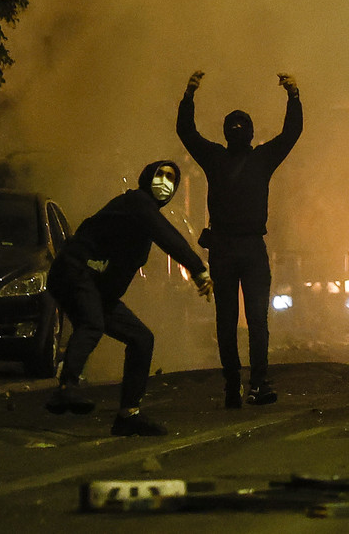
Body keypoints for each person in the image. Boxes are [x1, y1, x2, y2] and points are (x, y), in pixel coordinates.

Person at [45, 160, 213, 436]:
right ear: (146, 177)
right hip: (75, 271)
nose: (165, 183)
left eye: (171, 178)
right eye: (160, 175)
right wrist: (198, 270)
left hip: (95, 285)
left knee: (141, 339)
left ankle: (128, 415)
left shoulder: (144, 219)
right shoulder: (137, 202)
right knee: (92, 324)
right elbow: (168, 236)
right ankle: (66, 388)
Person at [177, 70, 302, 408]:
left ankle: (233, 386)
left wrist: (189, 94)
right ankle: (257, 384)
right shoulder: (262, 158)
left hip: (223, 250)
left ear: (227, 134)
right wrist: (293, 95)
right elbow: (292, 133)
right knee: (257, 321)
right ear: (250, 134)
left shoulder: (214, 158)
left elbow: (185, 132)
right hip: (250, 248)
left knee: (226, 321)